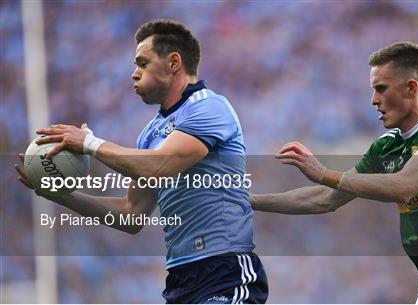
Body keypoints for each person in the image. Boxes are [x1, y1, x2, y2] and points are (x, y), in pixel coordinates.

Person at [250, 42, 418, 304]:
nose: (373, 100)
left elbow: (404, 186)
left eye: (381, 89)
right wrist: (249, 201)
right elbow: (324, 198)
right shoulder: (386, 147)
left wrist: (324, 173)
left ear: (410, 88)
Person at [15, 19, 268, 304]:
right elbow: (131, 214)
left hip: (226, 272)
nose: (134, 74)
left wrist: (89, 144)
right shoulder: (150, 135)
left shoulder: (210, 107)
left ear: (174, 62)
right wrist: (60, 195)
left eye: (143, 63)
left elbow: (159, 166)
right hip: (181, 279)